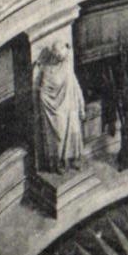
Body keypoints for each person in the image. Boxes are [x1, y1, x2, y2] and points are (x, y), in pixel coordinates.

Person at [34, 37, 86, 171]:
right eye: (58, 55)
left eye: (62, 54)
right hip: (57, 111)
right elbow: (43, 92)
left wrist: (81, 105)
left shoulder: (67, 66)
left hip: (70, 107)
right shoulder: (47, 71)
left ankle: (73, 159)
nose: (62, 57)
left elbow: (75, 85)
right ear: (54, 55)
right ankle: (60, 163)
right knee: (60, 136)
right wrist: (50, 106)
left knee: (74, 132)